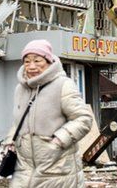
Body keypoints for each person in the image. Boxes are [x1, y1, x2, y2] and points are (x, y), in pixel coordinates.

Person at [6, 39, 94, 188]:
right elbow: (18, 121)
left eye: (37, 61)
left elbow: (83, 118)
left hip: (57, 169)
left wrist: (58, 141)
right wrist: (11, 141)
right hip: (24, 169)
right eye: (27, 62)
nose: (31, 66)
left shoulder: (63, 85)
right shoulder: (20, 89)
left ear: (48, 61)